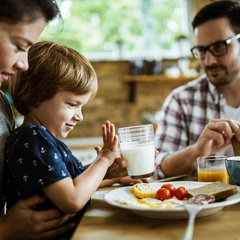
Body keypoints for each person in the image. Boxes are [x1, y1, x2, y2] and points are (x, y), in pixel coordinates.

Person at [4, 40, 141, 239]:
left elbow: (69, 182)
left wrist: (112, 175)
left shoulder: (40, 138)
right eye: (72, 104)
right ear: (36, 96)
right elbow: (73, 199)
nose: (80, 116)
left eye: (82, 106)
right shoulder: (33, 138)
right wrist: (104, 159)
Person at [154, 0, 240, 179]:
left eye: (219, 47)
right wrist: (196, 152)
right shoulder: (181, 101)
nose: (209, 61)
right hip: (203, 206)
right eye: (201, 50)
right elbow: (156, 167)